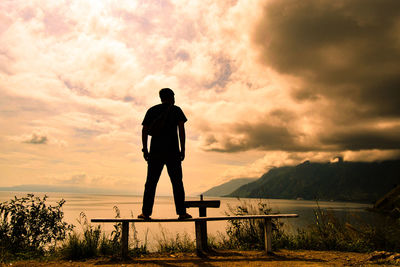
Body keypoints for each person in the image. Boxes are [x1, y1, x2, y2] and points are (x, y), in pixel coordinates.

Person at [138, 88, 192, 220]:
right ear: (171, 97)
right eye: (173, 95)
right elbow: (181, 131)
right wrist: (183, 149)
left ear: (161, 97)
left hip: (155, 152)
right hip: (173, 151)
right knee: (177, 182)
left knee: (151, 183)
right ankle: (181, 213)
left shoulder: (152, 110)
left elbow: (144, 131)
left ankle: (146, 213)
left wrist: (145, 149)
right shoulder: (176, 110)